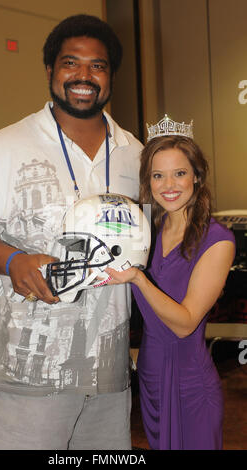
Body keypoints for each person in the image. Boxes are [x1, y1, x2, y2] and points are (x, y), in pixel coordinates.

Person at [0, 15, 143, 450]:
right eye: (70, 63)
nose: (84, 76)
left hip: (108, 372)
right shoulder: (5, 146)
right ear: (50, 71)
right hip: (24, 370)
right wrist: (12, 261)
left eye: (98, 66)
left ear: (111, 76)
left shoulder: (136, 155)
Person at [105, 115, 236, 450]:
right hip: (150, 376)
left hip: (190, 382)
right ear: (148, 182)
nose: (169, 185)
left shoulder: (218, 240)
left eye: (179, 173)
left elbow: (185, 323)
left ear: (197, 175)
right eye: (158, 175)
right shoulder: (147, 232)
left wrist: (137, 277)